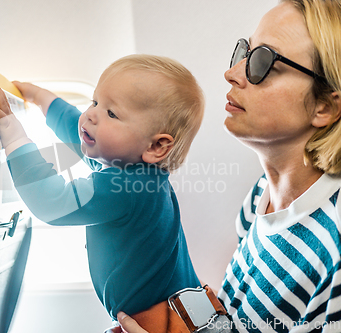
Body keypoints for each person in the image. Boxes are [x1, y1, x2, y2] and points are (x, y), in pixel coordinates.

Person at [109, 0, 341, 332]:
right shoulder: (262, 194)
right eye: (244, 52)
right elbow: (233, 321)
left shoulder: (335, 245)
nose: (231, 73)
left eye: (263, 62)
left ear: (323, 106)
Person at [0, 54, 205, 328]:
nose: (91, 113)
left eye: (111, 113)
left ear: (155, 147)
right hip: (179, 315)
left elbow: (52, 202)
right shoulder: (135, 171)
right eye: (94, 102)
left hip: (165, 325)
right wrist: (40, 97)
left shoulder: (129, 187)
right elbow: (75, 129)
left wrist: (15, 138)